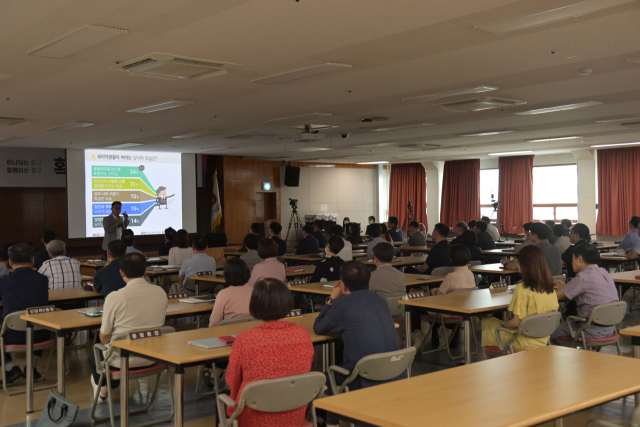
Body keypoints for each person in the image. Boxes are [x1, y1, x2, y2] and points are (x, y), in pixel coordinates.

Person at [226, 278, 314, 427]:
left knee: (223, 403)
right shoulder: (303, 334)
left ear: (255, 304)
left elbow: (232, 381)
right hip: (294, 414)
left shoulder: (244, 340)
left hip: (254, 417)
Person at [314, 261, 403, 393]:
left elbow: (319, 327)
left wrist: (331, 298)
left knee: (315, 381)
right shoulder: (381, 300)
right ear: (369, 283)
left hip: (360, 377)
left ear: (343, 286)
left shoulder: (341, 304)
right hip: (393, 372)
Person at [90, 253, 168, 403]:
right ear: (146, 270)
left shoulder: (114, 297)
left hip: (122, 360)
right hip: (155, 357)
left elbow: (104, 336)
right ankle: (105, 389)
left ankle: (104, 390)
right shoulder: (160, 292)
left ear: (121, 273)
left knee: (94, 354)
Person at [482, 245, 559, 351]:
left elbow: (515, 323)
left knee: (487, 323)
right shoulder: (550, 288)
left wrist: (506, 323)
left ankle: (485, 365)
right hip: (543, 340)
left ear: (524, 265)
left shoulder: (522, 288)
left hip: (521, 341)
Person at [0, 244, 51, 384]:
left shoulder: (4, 282)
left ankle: (10, 368)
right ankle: (32, 367)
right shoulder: (43, 280)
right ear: (33, 259)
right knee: (37, 322)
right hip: (42, 333)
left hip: (12, 335)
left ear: (10, 262)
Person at [552, 244, 619, 342]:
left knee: (547, 332)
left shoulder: (583, 277)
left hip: (589, 329)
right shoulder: (604, 273)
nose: (571, 263)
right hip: (610, 327)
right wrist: (568, 287)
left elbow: (556, 296)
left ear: (580, 259)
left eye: (572, 259)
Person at [209, 258, 253, 327]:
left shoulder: (223, 294)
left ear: (226, 275)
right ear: (247, 272)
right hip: (252, 333)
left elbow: (214, 323)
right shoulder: (256, 292)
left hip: (229, 334)